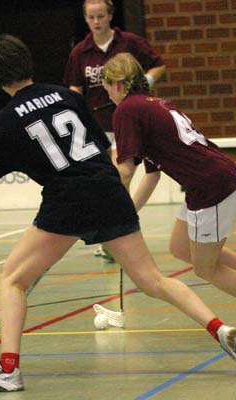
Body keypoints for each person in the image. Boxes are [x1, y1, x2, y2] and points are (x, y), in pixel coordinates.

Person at [0, 34, 236, 393]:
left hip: (67, 201)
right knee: (154, 281)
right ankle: (220, 329)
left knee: (11, 280)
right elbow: (100, 148)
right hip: (108, 189)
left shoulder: (5, 121)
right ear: (29, 63)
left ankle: (8, 370)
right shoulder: (68, 96)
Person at [100, 53, 236, 337]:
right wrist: (129, 212)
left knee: (206, 269)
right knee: (180, 247)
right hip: (206, 182)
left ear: (118, 84)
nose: (107, 94)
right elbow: (152, 175)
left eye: (107, 87)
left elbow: (125, 170)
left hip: (211, 185)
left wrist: (109, 202)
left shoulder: (127, 111)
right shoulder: (151, 104)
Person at [64, 0, 166, 260]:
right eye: (91, 17)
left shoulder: (130, 43)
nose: (96, 22)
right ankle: (117, 235)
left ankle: (118, 235)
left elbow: (158, 65)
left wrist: (144, 82)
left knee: (122, 177)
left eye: (100, 16)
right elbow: (75, 87)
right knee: (113, 179)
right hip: (98, 126)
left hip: (127, 122)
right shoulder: (80, 52)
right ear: (85, 19)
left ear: (110, 16)